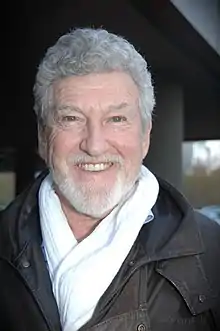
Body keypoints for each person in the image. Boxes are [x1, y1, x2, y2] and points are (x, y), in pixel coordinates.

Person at [0, 28, 220, 331]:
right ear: (42, 137)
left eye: (116, 119)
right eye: (71, 118)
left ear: (145, 136)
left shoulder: (211, 252)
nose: (95, 145)